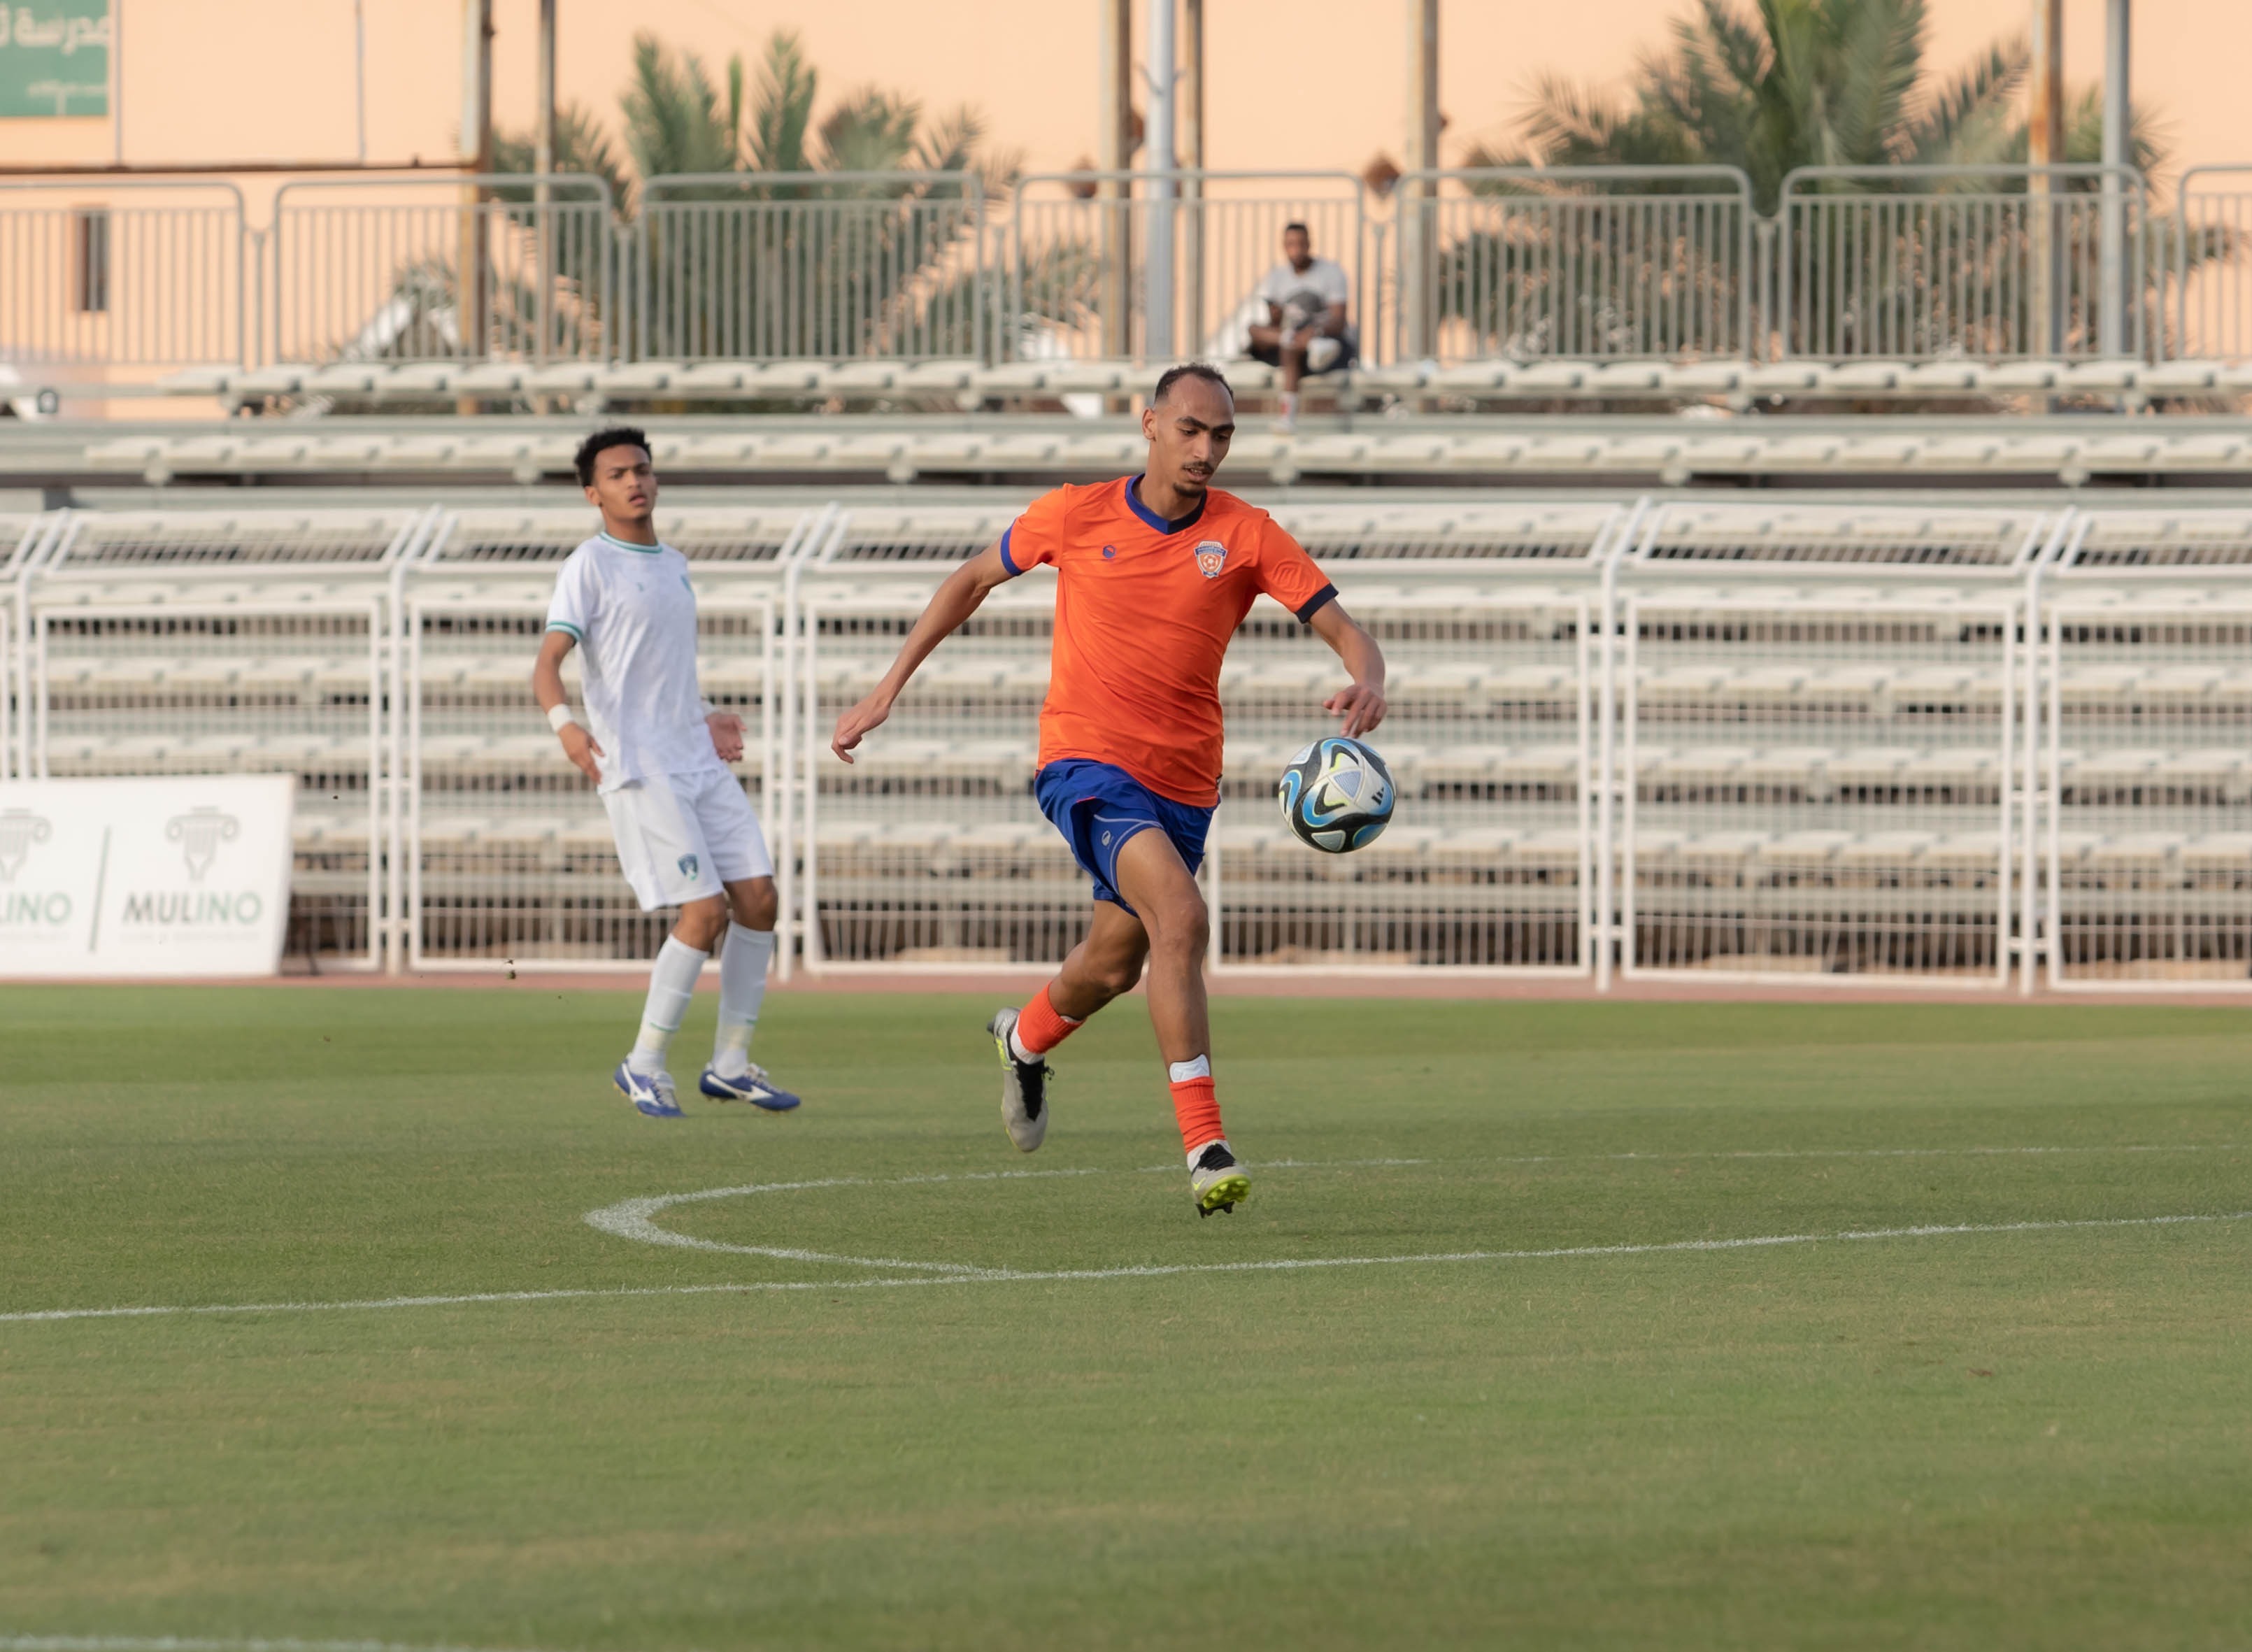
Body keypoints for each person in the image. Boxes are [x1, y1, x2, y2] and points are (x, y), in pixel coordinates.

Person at [829, 365, 1386, 1215]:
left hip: (1185, 785)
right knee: (1183, 918)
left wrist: (1368, 679)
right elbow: (970, 580)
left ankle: (1023, 1040)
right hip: (1084, 763)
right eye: (1191, 429)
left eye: (1222, 435)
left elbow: (1346, 630)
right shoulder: (1075, 512)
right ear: (1149, 424)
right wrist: (884, 691)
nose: (1206, 449)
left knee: (1113, 965)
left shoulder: (1246, 533)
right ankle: (1205, 1144)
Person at [532, 427, 800, 1119]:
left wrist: (706, 715)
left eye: (642, 470)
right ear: (593, 494)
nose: (634, 482)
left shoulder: (674, 563)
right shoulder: (589, 565)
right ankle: (643, 1063)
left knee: (760, 899)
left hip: (695, 758)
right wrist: (566, 726)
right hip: (641, 767)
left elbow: (661, 672)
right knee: (703, 912)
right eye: (617, 474)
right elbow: (547, 663)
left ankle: (730, 1064)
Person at [1246, 222, 1355, 433]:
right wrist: (1276, 317)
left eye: (1300, 244)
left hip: (1325, 338)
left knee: (1292, 343)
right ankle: (1300, 342)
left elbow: (1338, 320)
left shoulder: (1331, 272)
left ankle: (1287, 417)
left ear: (1309, 244)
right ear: (1284, 246)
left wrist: (1314, 333)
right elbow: (1273, 325)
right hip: (1292, 342)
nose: (1296, 250)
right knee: (1255, 329)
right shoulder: (1277, 277)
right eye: (1291, 244)